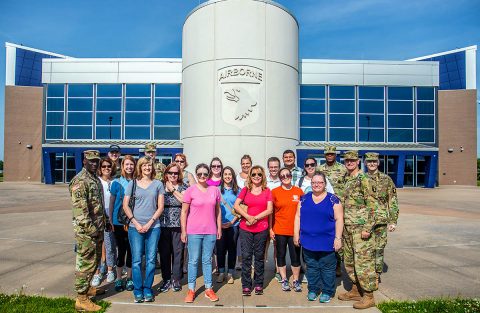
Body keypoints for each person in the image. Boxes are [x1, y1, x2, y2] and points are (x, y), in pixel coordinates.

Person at [69, 150, 111, 312]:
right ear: (84, 161)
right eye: (91, 161)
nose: (94, 163)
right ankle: (81, 299)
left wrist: (106, 222)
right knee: (85, 263)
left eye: (96, 161)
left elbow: (98, 204)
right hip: (86, 233)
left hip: (98, 229)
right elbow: (81, 212)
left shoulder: (94, 179)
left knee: (95, 262)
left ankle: (87, 289)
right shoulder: (80, 181)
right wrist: (92, 231)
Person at [294, 172, 343, 303]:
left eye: (320, 182)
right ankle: (313, 289)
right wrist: (296, 234)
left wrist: (338, 238)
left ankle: (327, 291)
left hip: (327, 242)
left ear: (325, 184)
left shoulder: (333, 200)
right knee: (312, 267)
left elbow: (339, 219)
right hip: (308, 241)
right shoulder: (304, 199)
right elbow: (298, 217)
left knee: (327, 268)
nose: (316, 185)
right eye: (314, 182)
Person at [337, 151, 377, 309]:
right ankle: (355, 290)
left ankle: (369, 295)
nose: (349, 162)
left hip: (361, 229)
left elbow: (373, 206)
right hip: (347, 228)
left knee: (363, 263)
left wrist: (368, 227)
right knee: (349, 261)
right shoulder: (346, 179)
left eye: (352, 160)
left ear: (358, 161)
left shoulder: (365, 179)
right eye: (347, 160)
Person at [123, 157, 165, 303]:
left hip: (153, 227)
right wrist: (135, 222)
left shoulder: (158, 184)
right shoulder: (132, 184)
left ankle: (147, 289)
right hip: (135, 227)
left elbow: (160, 206)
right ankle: (137, 290)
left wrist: (150, 223)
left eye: (149, 165)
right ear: (140, 167)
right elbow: (126, 205)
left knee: (151, 260)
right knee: (136, 260)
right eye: (144, 165)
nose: (147, 167)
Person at [181, 163, 222, 303]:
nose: (202, 176)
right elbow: (184, 212)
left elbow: (218, 211)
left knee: (207, 260)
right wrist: (183, 231)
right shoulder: (190, 190)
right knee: (193, 261)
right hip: (193, 231)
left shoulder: (214, 190)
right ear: (196, 175)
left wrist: (219, 228)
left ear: (209, 174)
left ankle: (208, 289)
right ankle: (191, 289)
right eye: (199, 174)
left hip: (210, 231)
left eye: (205, 174)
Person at [234, 165, 273, 296]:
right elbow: (236, 205)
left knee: (259, 257)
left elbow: (269, 210)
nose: (256, 176)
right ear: (250, 176)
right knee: (246, 256)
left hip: (261, 228)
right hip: (245, 228)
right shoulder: (245, 190)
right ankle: (246, 285)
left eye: (259, 174)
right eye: (254, 174)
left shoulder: (267, 191)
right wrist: (248, 217)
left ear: (263, 176)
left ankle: (258, 284)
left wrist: (255, 218)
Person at [364, 152, 399, 283]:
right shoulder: (361, 179)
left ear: (378, 163)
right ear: (365, 163)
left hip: (381, 221)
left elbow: (393, 200)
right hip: (365, 221)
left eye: (374, 161)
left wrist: (393, 220)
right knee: (365, 249)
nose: (372, 164)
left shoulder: (386, 179)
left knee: (379, 248)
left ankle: (376, 274)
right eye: (369, 161)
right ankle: (366, 273)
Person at [271, 167, 304, 292]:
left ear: (291, 176)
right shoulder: (274, 192)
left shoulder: (299, 191)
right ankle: (284, 279)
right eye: (283, 176)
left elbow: (304, 212)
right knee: (280, 255)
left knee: (295, 256)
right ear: (280, 178)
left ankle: (295, 280)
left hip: (295, 231)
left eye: (288, 175)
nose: (285, 177)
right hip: (279, 229)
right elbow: (271, 212)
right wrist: (270, 229)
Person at [316, 146, 347, 277]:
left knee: (339, 236)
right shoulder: (319, 169)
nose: (329, 155)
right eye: (327, 154)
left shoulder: (343, 169)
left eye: (332, 154)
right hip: (324, 206)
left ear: (335, 155)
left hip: (339, 207)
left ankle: (337, 266)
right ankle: (322, 264)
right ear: (324, 155)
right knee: (324, 234)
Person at [158, 162, 188, 293]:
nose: (173, 175)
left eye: (176, 173)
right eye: (170, 173)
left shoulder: (183, 186)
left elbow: (184, 201)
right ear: (166, 174)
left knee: (178, 253)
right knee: (164, 253)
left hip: (178, 224)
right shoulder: (160, 186)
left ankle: (176, 279)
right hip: (163, 223)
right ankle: (166, 280)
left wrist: (173, 190)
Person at [109, 156, 135, 292]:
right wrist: (110, 220)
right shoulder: (116, 183)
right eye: (127, 164)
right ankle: (119, 278)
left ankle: (129, 278)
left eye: (131, 164)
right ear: (122, 166)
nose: (129, 167)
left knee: (131, 251)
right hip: (118, 222)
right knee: (121, 251)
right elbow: (112, 202)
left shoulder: (137, 182)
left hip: (132, 221)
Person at [91, 157, 116, 287]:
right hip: (98, 214)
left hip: (111, 214)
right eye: (104, 166)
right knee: (98, 245)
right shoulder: (96, 181)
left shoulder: (115, 181)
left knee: (109, 243)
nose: (106, 168)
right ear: (100, 168)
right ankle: (98, 271)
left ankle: (110, 269)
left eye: (109, 166)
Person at [216, 166, 241, 284]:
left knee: (232, 249)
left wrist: (232, 222)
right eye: (225, 174)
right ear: (222, 176)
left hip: (234, 225)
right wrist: (219, 223)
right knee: (220, 249)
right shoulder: (216, 190)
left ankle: (230, 273)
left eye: (229, 174)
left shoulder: (238, 190)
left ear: (233, 176)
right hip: (219, 225)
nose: (227, 176)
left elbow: (241, 208)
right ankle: (221, 272)